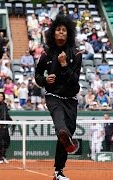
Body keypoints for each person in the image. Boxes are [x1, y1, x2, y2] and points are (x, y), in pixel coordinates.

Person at [35, 15, 82, 180]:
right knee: (60, 123)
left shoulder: (76, 54)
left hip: (71, 98)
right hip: (53, 95)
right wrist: (44, 80)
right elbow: (37, 75)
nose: (61, 32)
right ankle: (62, 132)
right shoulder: (47, 53)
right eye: (58, 29)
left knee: (67, 135)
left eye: (64, 30)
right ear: (53, 33)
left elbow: (74, 80)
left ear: (68, 33)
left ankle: (58, 171)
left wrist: (64, 65)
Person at [0, 92, 15, 164]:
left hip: (5, 127)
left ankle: (3, 156)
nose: (0, 97)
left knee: (7, 142)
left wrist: (12, 122)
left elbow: (6, 115)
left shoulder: (5, 105)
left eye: (2, 96)